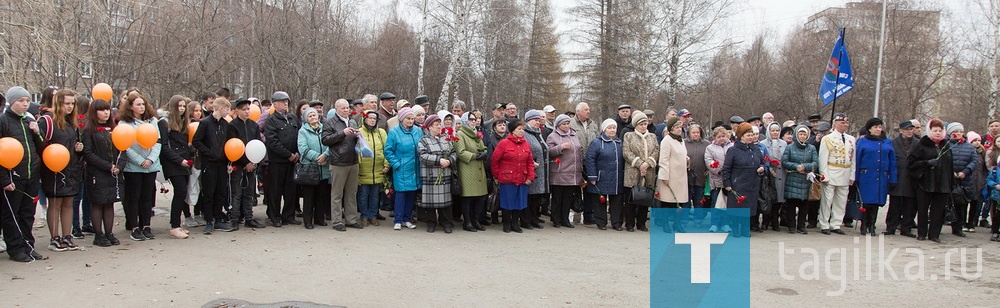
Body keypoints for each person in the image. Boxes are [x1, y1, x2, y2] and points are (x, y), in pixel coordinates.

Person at [1, 87, 46, 262]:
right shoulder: (3, 121)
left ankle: (28, 245)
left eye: (27, 100)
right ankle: (15, 248)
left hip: (31, 173)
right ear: (11, 102)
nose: (25, 104)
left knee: (28, 213)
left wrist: (37, 132)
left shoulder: (29, 121)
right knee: (12, 213)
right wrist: (4, 179)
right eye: (21, 101)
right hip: (12, 176)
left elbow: (41, 147)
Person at [38, 89, 84, 251]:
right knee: (55, 203)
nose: (70, 107)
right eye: (67, 103)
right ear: (58, 103)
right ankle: (54, 238)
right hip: (54, 169)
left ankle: (67, 236)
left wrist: (79, 148)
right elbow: (40, 144)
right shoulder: (47, 121)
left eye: (72, 104)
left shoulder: (72, 123)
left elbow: (74, 143)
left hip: (71, 168)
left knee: (69, 202)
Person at [119, 91, 163, 241]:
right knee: (134, 197)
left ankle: (146, 226)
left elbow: (157, 142)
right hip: (133, 167)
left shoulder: (152, 121)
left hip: (150, 165)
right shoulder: (124, 123)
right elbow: (126, 146)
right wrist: (139, 161)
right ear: (130, 107)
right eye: (138, 104)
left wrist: (150, 159)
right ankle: (135, 227)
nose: (142, 107)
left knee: (147, 198)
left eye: (143, 104)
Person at [81, 99, 122, 247]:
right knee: (98, 203)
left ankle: (109, 233)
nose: (106, 112)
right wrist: (107, 166)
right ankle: (98, 235)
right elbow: (88, 153)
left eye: (107, 109)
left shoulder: (114, 129)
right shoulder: (89, 130)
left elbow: (122, 149)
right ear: (94, 112)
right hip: (97, 172)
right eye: (102, 110)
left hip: (112, 172)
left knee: (109, 203)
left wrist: (118, 166)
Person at [192, 97, 235, 235]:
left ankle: (218, 218)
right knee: (209, 192)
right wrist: (208, 153)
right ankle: (209, 220)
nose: (228, 112)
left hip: (222, 163)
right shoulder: (205, 123)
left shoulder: (225, 124)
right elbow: (196, 141)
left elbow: (229, 144)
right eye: (227, 109)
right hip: (209, 163)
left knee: (220, 192)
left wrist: (229, 162)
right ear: (221, 108)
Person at [909, 118, 953, 243]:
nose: (938, 133)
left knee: (938, 210)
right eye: (935, 130)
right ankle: (921, 233)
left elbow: (950, 164)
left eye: (940, 131)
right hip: (925, 182)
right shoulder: (922, 144)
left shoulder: (946, 145)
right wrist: (927, 163)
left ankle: (934, 234)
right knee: (923, 209)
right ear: (930, 131)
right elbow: (912, 163)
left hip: (942, 183)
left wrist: (950, 182)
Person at [322, 99, 363, 231]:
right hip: (338, 162)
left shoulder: (352, 121)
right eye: (343, 108)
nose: (346, 110)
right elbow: (326, 140)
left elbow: (355, 139)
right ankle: (337, 221)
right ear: (337, 109)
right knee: (337, 193)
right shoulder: (330, 122)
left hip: (353, 161)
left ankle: (351, 219)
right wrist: (342, 133)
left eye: (347, 108)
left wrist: (358, 136)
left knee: (352, 192)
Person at [157, 95, 193, 239]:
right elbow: (164, 147)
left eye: (184, 106)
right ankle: (174, 226)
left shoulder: (183, 122)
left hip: (184, 161)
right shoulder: (164, 123)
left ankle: (177, 223)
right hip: (173, 163)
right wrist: (179, 160)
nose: (182, 109)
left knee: (182, 193)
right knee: (180, 191)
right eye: (179, 106)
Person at [263, 91, 301, 227]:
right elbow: (273, 142)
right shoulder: (271, 121)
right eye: (282, 101)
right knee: (275, 190)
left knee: (291, 190)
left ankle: (288, 215)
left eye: (287, 101)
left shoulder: (293, 119)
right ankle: (275, 216)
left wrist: (297, 152)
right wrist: (288, 154)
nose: (286, 104)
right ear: (274, 104)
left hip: (293, 161)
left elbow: (299, 137)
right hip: (277, 161)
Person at [854, 118, 896, 236]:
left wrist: (893, 178)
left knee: (876, 203)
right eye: (875, 127)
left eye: (879, 127)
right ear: (869, 129)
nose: (878, 129)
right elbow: (857, 160)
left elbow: (892, 161)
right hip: (866, 176)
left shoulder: (887, 142)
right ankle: (864, 224)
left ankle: (872, 225)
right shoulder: (863, 142)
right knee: (866, 202)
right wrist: (855, 178)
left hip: (881, 177)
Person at [722, 123, 765, 238]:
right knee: (737, 209)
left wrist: (762, 168)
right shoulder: (733, 150)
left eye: (752, 135)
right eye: (748, 135)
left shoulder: (755, 149)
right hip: (738, 182)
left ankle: (746, 229)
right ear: (741, 136)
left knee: (748, 208)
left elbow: (762, 162)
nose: (751, 137)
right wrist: (727, 183)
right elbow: (726, 168)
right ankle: (736, 229)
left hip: (752, 183)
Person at [491, 120, 535, 233]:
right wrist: (497, 175)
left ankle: (515, 223)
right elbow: (495, 161)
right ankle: (506, 223)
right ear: (512, 131)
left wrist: (530, 176)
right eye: (519, 129)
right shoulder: (504, 143)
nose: (521, 131)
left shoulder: (526, 144)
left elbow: (530, 162)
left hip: (522, 178)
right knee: (507, 202)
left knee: (519, 202)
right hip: (507, 178)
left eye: (523, 129)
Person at [227, 99, 264, 230]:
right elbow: (233, 146)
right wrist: (245, 162)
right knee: (236, 193)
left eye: (248, 109)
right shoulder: (232, 126)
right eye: (244, 109)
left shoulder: (254, 125)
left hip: (252, 165)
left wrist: (254, 162)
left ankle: (249, 218)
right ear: (236, 111)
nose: (247, 111)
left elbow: (258, 144)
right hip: (238, 164)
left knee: (249, 193)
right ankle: (235, 219)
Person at [417, 115, 457, 233]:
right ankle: (431, 223)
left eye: (440, 124)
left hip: (444, 174)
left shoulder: (447, 138)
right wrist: (438, 160)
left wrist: (449, 160)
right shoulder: (423, 140)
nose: (439, 127)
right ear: (429, 127)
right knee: (431, 202)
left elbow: (454, 152)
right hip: (430, 175)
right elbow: (422, 155)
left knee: (445, 201)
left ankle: (446, 223)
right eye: (436, 125)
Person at [818, 113, 855, 235]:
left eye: (846, 123)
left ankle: (836, 223)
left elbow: (852, 159)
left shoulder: (851, 139)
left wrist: (852, 175)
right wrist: (824, 174)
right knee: (827, 200)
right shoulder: (827, 138)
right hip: (832, 171)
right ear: (835, 124)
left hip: (845, 172)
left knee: (841, 200)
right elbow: (823, 158)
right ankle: (824, 223)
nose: (845, 125)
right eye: (842, 123)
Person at [385, 107, 422, 230]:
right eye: (408, 118)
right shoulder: (394, 132)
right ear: (401, 119)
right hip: (401, 167)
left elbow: (421, 146)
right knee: (401, 194)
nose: (411, 121)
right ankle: (398, 219)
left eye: (412, 118)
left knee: (411, 194)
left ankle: (407, 218)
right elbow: (388, 150)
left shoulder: (418, 131)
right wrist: (396, 164)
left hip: (414, 167)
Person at [586, 119, 625, 231]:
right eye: (610, 128)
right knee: (599, 201)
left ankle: (616, 223)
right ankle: (601, 222)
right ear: (604, 129)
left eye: (614, 128)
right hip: (601, 177)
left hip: (617, 177)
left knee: (617, 201)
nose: (612, 130)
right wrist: (592, 176)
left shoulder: (620, 143)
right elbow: (590, 159)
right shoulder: (597, 143)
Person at [296, 108, 331, 229]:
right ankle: (308, 220)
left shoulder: (325, 128)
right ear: (306, 119)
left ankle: (319, 218)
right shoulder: (303, 131)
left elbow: (330, 143)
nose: (313, 118)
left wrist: (326, 155)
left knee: (321, 195)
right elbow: (303, 148)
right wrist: (318, 157)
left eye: (314, 115)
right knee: (309, 196)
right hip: (310, 168)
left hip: (324, 168)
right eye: (310, 116)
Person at [623, 112, 658, 232]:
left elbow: (656, 151)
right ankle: (629, 223)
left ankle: (641, 223)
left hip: (648, 172)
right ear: (635, 125)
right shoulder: (629, 136)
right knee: (631, 198)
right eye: (641, 124)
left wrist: (648, 163)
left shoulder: (652, 136)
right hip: (633, 172)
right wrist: (639, 164)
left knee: (645, 197)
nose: (644, 126)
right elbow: (626, 152)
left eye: (645, 124)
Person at [454, 112, 489, 232]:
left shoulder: (476, 134)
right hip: (467, 169)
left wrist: (484, 152)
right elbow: (461, 152)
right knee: (468, 198)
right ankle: (467, 222)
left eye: (475, 119)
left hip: (479, 169)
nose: (474, 121)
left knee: (480, 197)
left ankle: (476, 220)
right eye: (471, 119)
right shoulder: (460, 134)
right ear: (465, 121)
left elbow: (482, 146)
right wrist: (475, 156)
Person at [547, 114, 582, 228]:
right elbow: (549, 152)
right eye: (564, 124)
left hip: (572, 172)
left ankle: (565, 219)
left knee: (567, 198)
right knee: (557, 198)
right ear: (558, 125)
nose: (566, 126)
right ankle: (556, 219)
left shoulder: (574, 135)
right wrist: (560, 147)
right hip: (559, 172)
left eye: (568, 124)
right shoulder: (552, 136)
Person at [782, 125, 818, 234]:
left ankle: (801, 226)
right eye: (800, 134)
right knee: (791, 204)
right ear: (796, 135)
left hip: (805, 179)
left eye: (804, 134)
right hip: (793, 178)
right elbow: (784, 162)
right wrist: (796, 166)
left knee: (804, 204)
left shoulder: (811, 148)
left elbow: (815, 163)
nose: (802, 136)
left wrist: (805, 167)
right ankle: (791, 225)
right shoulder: (790, 147)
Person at [885, 121, 918, 237]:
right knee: (895, 205)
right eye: (907, 129)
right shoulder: (893, 143)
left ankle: (906, 228)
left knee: (909, 206)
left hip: (912, 179)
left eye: (911, 129)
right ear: (901, 130)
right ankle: (891, 227)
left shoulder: (918, 143)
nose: (909, 131)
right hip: (897, 177)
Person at [656, 116, 688, 232]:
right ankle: (665, 224)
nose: (679, 129)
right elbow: (663, 159)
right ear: (671, 129)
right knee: (668, 202)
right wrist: (664, 176)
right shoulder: (666, 141)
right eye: (676, 127)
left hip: (680, 177)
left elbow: (680, 154)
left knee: (678, 203)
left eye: (680, 127)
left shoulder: (681, 140)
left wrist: (686, 159)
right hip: (670, 176)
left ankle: (676, 223)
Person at [569, 102, 599, 224]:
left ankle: (589, 214)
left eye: (589, 109)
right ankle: (573, 211)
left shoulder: (593, 125)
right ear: (578, 111)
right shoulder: (570, 124)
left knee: (590, 189)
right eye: (586, 109)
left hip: (590, 162)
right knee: (573, 189)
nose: (588, 111)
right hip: (575, 161)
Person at [358, 110, 388, 226]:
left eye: (374, 118)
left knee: (375, 195)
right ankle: (364, 216)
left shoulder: (381, 133)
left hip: (378, 169)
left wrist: (386, 165)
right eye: (370, 118)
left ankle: (373, 216)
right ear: (364, 119)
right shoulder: (359, 132)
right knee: (363, 194)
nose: (372, 120)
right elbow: (356, 150)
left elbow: (387, 150)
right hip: (364, 169)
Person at [947, 122, 976, 238]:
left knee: (961, 205)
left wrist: (965, 171)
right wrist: (951, 172)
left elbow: (974, 161)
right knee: (947, 203)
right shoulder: (947, 145)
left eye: (960, 131)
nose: (958, 134)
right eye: (955, 132)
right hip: (950, 179)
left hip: (964, 180)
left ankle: (958, 228)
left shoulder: (969, 146)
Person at [522, 110, 549, 230]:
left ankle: (534, 218)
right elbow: (524, 150)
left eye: (539, 120)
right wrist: (531, 162)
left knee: (535, 197)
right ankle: (526, 220)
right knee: (529, 196)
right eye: (535, 120)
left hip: (540, 170)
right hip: (530, 169)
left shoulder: (538, 133)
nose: (538, 122)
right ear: (528, 120)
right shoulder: (525, 133)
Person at [705, 126, 733, 233]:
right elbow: (709, 161)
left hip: (729, 179)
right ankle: (714, 223)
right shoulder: (710, 148)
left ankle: (726, 223)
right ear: (715, 137)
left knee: (727, 203)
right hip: (716, 179)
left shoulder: (732, 146)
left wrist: (728, 172)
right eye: (719, 137)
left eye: (723, 136)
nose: (721, 138)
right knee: (716, 202)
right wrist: (719, 169)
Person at [760, 122, 787, 231]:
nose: (775, 132)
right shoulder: (763, 143)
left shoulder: (784, 144)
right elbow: (763, 158)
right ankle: (765, 222)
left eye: (777, 130)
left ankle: (775, 222)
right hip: (768, 174)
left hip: (781, 173)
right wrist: (769, 169)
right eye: (772, 130)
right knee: (768, 197)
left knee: (778, 199)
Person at [483, 117, 508, 225]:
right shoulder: (491, 138)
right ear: (494, 127)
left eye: (504, 125)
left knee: (505, 194)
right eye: (499, 125)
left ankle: (504, 214)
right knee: (495, 193)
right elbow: (490, 157)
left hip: (507, 170)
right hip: (495, 170)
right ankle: (494, 215)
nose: (502, 126)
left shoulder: (508, 138)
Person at [685, 124, 710, 226]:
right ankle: (684, 220)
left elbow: (710, 157)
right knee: (686, 200)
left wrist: (708, 168)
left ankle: (698, 220)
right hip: (686, 177)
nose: (696, 134)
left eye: (697, 132)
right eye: (693, 132)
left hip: (701, 176)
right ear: (689, 134)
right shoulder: (683, 143)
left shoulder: (706, 144)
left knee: (699, 200)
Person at [185, 101, 205, 227]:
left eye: (199, 111)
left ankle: (198, 213)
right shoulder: (187, 125)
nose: (198, 113)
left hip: (200, 161)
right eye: (195, 110)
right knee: (188, 188)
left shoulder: (203, 124)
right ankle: (187, 216)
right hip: (190, 161)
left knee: (200, 188)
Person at [966, 131, 987, 233]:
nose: (977, 142)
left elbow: (984, 168)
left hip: (978, 182)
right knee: (964, 203)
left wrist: (983, 180)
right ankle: (962, 222)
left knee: (975, 203)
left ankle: (971, 222)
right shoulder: (967, 151)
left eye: (979, 140)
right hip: (967, 181)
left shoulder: (982, 152)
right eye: (974, 140)